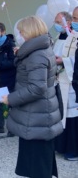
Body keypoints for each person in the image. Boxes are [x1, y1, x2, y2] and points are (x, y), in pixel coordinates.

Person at [1, 16, 63, 178]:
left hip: (37, 118)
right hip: (36, 117)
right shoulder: (38, 50)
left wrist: (10, 99)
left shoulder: (37, 55)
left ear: (30, 31)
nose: (19, 35)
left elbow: (37, 88)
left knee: (38, 166)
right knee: (37, 164)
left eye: (21, 31)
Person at [55, 9, 78, 161]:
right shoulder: (72, 37)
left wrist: (63, 61)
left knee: (73, 117)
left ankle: (74, 149)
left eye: (76, 18)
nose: (75, 21)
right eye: (75, 18)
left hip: (73, 84)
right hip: (64, 80)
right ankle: (63, 145)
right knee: (63, 115)